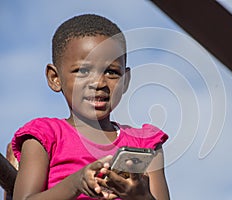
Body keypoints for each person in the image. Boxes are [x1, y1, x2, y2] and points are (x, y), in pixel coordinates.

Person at [11, 14, 170, 200]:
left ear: (125, 81)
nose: (99, 82)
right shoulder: (45, 136)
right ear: (55, 78)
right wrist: (76, 183)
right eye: (83, 71)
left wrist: (140, 196)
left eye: (111, 72)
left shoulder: (146, 143)